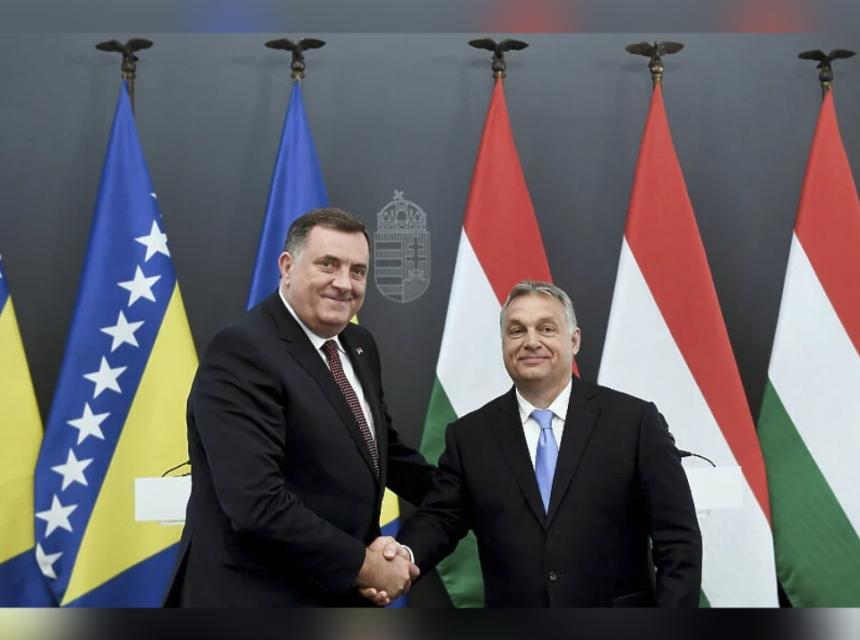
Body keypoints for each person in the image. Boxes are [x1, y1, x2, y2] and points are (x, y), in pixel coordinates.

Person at [164, 208, 435, 606]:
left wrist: (466, 490)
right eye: (328, 265)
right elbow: (256, 502)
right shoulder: (242, 350)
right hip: (256, 603)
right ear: (287, 267)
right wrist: (366, 566)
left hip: (337, 597)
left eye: (358, 271)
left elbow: (381, 450)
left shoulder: (359, 346)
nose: (344, 283)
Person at [374, 280, 702, 607]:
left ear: (574, 340)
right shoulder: (470, 436)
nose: (531, 342)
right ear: (504, 343)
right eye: (517, 331)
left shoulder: (634, 422)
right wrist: (402, 556)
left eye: (546, 329)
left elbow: (678, 540)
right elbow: (441, 517)